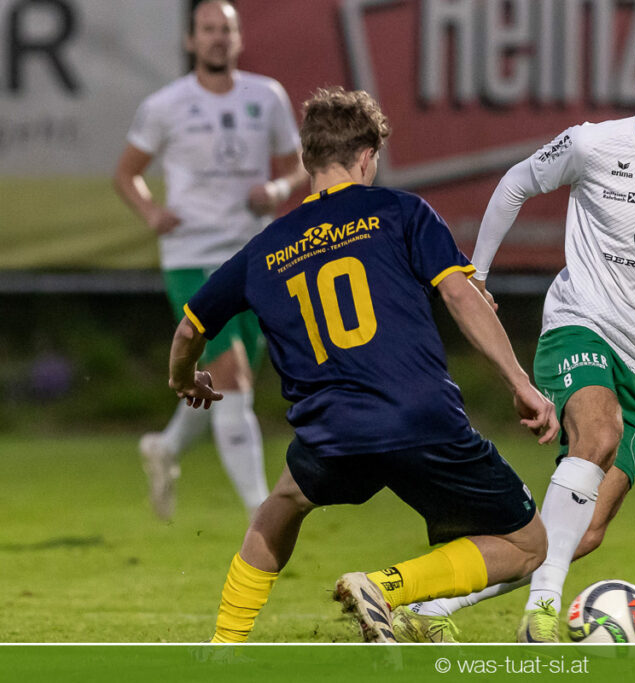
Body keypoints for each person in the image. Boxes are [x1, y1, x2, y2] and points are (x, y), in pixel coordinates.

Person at [396, 23, 635, 643]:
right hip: (579, 325)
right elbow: (515, 184)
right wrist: (478, 272)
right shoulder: (591, 144)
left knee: (584, 530)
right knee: (599, 434)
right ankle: (541, 615)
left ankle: (428, 608)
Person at [168, 85, 558, 643]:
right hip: (418, 416)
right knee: (527, 544)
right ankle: (386, 587)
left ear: (307, 160)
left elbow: (189, 329)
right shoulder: (400, 212)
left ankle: (225, 645)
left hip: (332, 430)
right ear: (368, 157)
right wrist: (520, 383)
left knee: (283, 503)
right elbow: (460, 295)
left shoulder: (264, 250)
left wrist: (185, 379)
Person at [113, 0, 307, 520]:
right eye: (208, 29)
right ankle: (260, 513)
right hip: (191, 256)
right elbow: (127, 173)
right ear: (191, 40)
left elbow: (298, 167)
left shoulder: (266, 96)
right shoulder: (166, 104)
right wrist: (151, 212)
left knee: (225, 383)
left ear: (239, 38)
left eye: (226, 29)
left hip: (254, 256)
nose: (218, 37)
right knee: (232, 375)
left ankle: (167, 447)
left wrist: (276, 189)